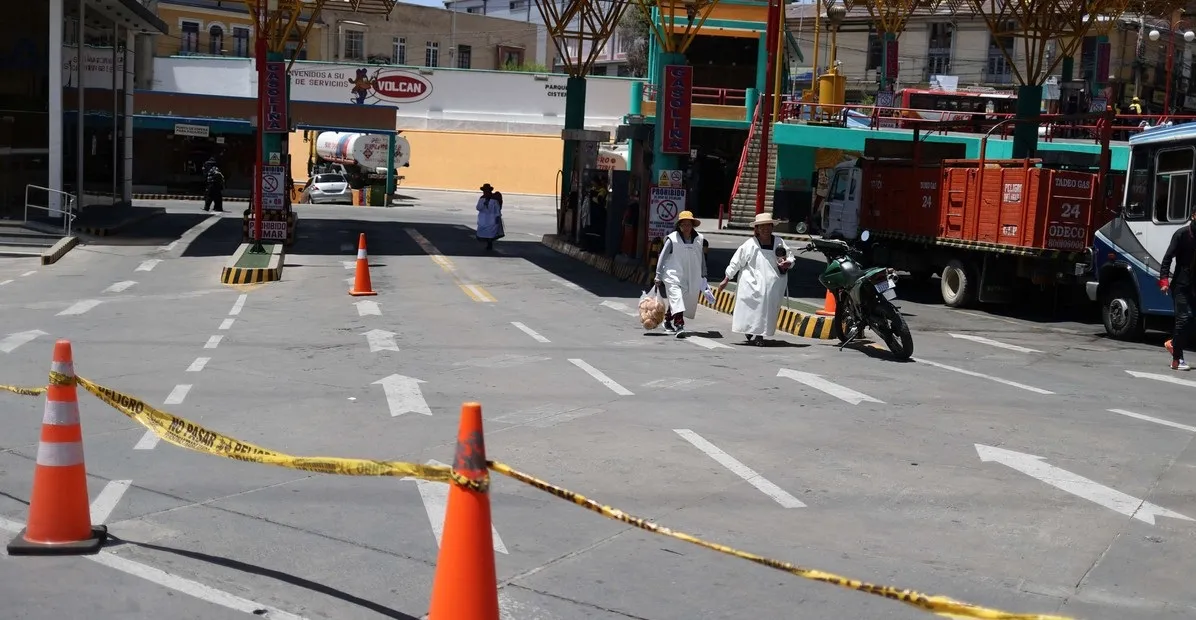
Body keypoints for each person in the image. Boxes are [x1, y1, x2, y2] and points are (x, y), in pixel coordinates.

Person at [717, 213, 795, 346]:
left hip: (773, 283)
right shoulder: (750, 244)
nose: (765, 229)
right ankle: (751, 330)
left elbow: (790, 257)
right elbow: (737, 261)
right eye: (761, 227)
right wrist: (727, 277)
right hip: (751, 281)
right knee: (751, 306)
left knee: (766, 309)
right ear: (757, 229)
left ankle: (760, 335)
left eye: (767, 226)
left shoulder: (779, 242)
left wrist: (788, 263)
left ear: (772, 227)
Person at [655, 211, 708, 335]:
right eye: (683, 224)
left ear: (692, 225)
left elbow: (702, 258)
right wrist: (658, 275)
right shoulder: (672, 239)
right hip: (672, 274)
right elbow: (662, 256)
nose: (686, 227)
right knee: (677, 297)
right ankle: (679, 325)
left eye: (688, 224)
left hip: (689, 275)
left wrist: (704, 274)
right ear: (679, 226)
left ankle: (668, 320)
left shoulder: (699, 239)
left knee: (678, 300)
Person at [1160, 211, 1196, 371]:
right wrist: (1164, 281)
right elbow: (1167, 258)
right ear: (1194, 215)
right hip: (1181, 284)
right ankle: (1177, 360)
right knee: (1184, 318)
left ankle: (1173, 344)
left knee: (1192, 321)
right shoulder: (1181, 234)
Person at [476, 183, 503, 251]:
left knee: (490, 231)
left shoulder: (494, 199)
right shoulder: (482, 199)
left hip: (490, 218)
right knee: (488, 231)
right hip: (485, 218)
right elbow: (478, 208)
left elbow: (497, 209)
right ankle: (488, 243)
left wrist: (497, 216)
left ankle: (489, 243)